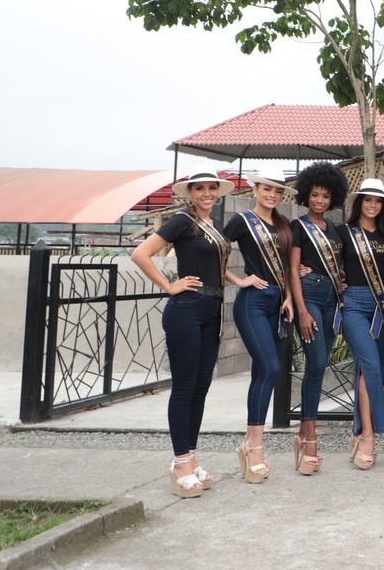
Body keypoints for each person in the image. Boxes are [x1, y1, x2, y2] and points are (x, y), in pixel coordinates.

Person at [132, 169, 237, 497]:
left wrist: (239, 281)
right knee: (185, 387)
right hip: (187, 311)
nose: (207, 193)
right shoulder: (182, 220)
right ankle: (180, 464)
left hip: (212, 311)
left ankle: (190, 458)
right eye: (200, 188)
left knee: (201, 387)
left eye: (211, 188)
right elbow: (140, 254)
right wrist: (168, 286)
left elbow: (216, 269)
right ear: (190, 192)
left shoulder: (213, 226)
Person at [224, 174, 296, 484]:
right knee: (270, 368)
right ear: (255, 190)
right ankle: (254, 444)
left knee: (261, 372)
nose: (272, 195)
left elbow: (291, 267)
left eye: (277, 191)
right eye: (266, 189)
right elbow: (213, 248)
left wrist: (291, 297)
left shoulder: (282, 224)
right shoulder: (242, 220)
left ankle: (248, 442)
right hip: (252, 302)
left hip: (278, 305)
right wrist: (239, 280)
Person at [286, 162, 349, 476]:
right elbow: (292, 270)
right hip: (309, 298)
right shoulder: (299, 226)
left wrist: (339, 279)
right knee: (318, 363)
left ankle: (303, 434)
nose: (320, 200)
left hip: (330, 300)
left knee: (319, 365)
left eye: (325, 195)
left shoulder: (335, 229)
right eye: (314, 194)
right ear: (306, 195)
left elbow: (336, 265)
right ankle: (308, 437)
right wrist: (302, 311)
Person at [339, 178, 384, 470]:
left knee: (366, 368)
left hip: (380, 309)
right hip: (352, 305)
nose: (373, 205)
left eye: (378, 201)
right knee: (371, 364)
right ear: (358, 202)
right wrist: (305, 268)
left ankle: (358, 433)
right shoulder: (343, 232)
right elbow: (324, 260)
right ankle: (371, 435)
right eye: (367, 200)